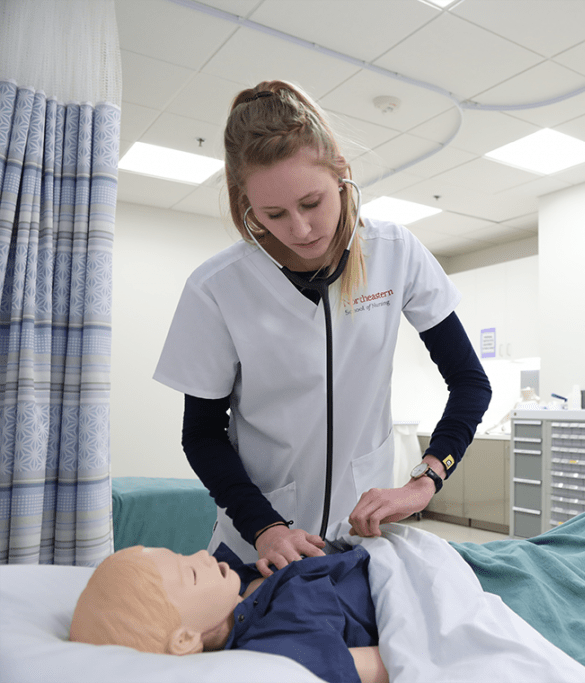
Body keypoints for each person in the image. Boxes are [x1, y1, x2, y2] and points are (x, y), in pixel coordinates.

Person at [153, 80, 491, 577]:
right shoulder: (217, 289)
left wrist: (426, 478)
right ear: (245, 204)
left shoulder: (394, 253)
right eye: (273, 214)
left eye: (311, 203)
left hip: (364, 539)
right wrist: (264, 526)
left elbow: (470, 383)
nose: (300, 228)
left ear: (340, 174)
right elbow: (202, 434)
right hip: (257, 544)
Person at [69, 544, 387, 683]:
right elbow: (399, 660)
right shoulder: (281, 650)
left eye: (183, 554)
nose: (201, 555)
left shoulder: (241, 585)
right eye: (191, 573)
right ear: (184, 639)